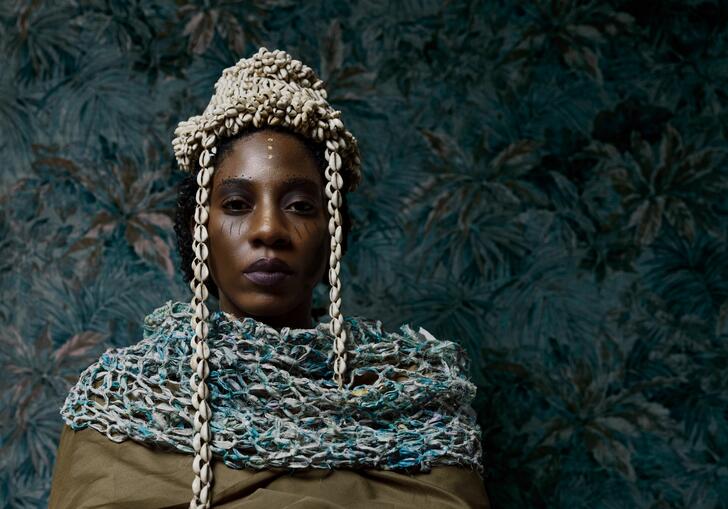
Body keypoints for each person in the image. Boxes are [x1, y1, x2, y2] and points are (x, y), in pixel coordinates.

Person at [48, 47, 490, 509]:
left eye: (300, 206)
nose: (268, 231)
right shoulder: (119, 402)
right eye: (237, 205)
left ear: (332, 231)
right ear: (199, 228)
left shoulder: (418, 401)